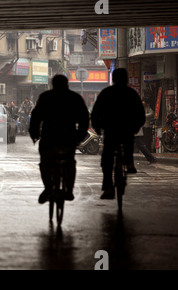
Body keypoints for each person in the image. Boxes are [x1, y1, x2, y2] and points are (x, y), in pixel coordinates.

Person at [29, 75, 89, 204]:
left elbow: (35, 117)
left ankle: (48, 188)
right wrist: (79, 137)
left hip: (49, 138)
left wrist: (34, 134)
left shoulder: (45, 97)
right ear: (67, 84)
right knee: (70, 162)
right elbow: (84, 119)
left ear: (52, 85)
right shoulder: (74, 98)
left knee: (45, 163)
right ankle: (69, 190)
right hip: (69, 138)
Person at [91, 68, 145, 200]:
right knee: (128, 143)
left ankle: (108, 187)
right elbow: (140, 114)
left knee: (107, 159)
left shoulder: (106, 93)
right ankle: (130, 163)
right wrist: (136, 127)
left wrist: (97, 127)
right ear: (127, 79)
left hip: (111, 131)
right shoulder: (132, 93)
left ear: (113, 79)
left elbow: (95, 113)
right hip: (127, 130)